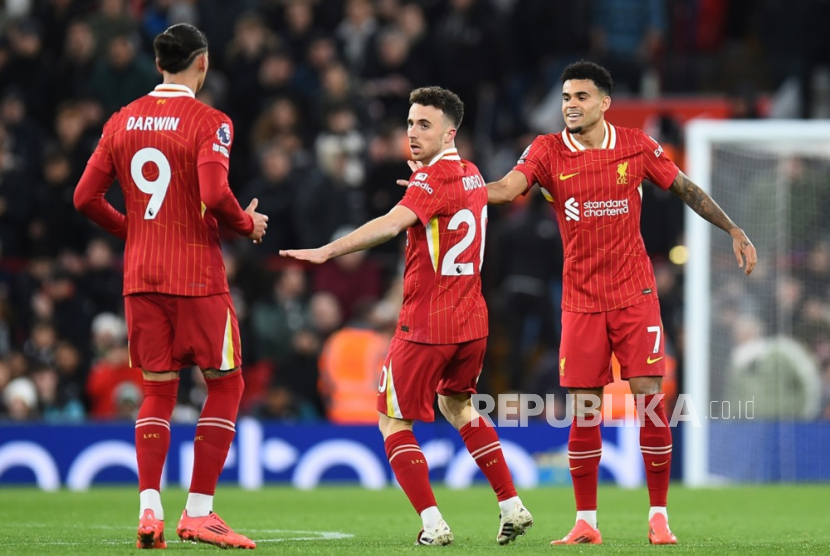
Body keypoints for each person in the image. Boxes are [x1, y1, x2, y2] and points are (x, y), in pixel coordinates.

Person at [486, 60, 757, 546]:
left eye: (581, 97)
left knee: (650, 403)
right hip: (580, 301)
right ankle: (586, 521)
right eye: (567, 97)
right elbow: (507, 189)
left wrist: (733, 228)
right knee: (585, 411)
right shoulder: (547, 150)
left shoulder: (634, 145)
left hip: (635, 295)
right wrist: (455, 190)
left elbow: (686, 189)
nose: (571, 105)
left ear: (605, 102)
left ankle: (658, 517)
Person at [281, 86, 533, 546]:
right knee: (458, 405)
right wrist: (422, 186)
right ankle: (511, 504)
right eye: (411, 123)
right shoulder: (472, 174)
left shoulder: (428, 183)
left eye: (424, 125)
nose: (412, 133)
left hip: (427, 323)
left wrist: (329, 249)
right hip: (472, 322)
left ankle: (433, 524)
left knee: (393, 421)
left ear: (449, 132)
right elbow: (457, 198)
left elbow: (393, 224)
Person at [73, 23, 267, 550]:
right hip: (197, 276)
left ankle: (150, 510)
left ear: (159, 64)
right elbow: (215, 190)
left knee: (158, 390)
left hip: (141, 277)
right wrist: (247, 225)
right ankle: (200, 511)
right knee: (225, 384)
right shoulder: (211, 121)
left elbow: (84, 197)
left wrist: (132, 229)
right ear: (201, 63)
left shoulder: (122, 120)